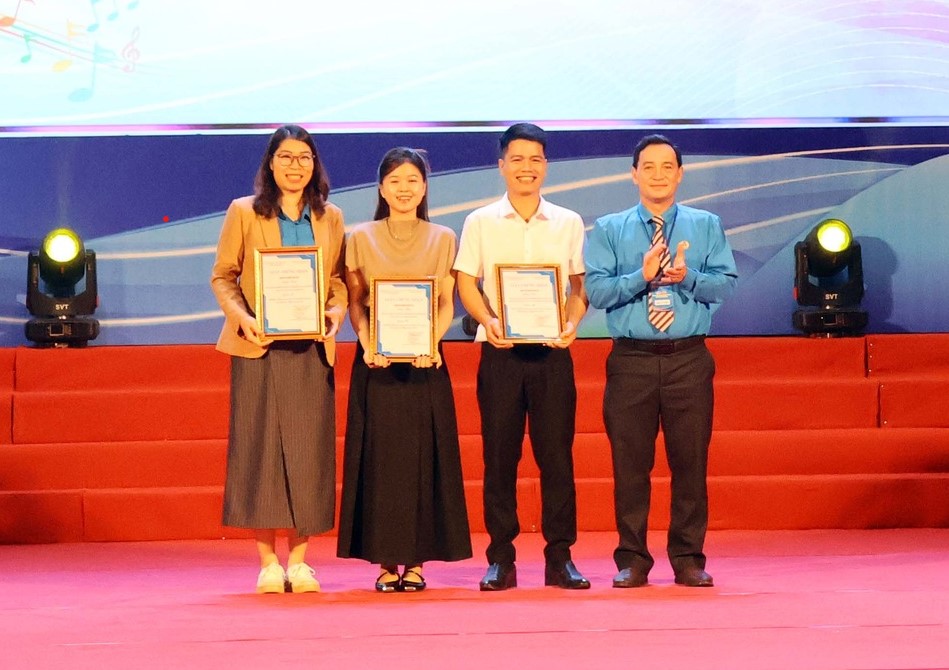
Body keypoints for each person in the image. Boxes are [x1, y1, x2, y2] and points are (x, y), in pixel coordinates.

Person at [584, 134, 738, 588]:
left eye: (666, 167)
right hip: (631, 359)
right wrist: (641, 276)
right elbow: (597, 292)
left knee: (690, 462)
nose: (657, 175)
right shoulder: (610, 228)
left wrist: (688, 276)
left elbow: (725, 285)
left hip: (688, 357)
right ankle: (632, 558)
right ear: (633, 174)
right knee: (630, 465)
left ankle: (688, 557)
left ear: (680, 174)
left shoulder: (706, 224)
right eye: (647, 167)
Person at [210, 124, 347, 594]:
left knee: (310, 453)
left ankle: (302, 561)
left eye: (304, 157)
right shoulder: (244, 212)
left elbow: (338, 281)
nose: (295, 166)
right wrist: (243, 318)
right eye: (286, 157)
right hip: (257, 346)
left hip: (311, 349)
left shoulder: (330, 216)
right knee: (259, 449)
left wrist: (335, 310)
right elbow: (223, 277)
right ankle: (268, 561)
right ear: (271, 163)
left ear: (315, 164)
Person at [454, 123, 590, 591]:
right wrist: (489, 321)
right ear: (501, 166)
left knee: (557, 459)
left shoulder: (569, 222)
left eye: (535, 159)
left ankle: (560, 557)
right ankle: (501, 558)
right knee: (500, 458)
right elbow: (465, 283)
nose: (526, 168)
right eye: (517, 159)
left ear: (545, 166)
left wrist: (572, 322)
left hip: (553, 356)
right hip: (501, 355)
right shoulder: (480, 221)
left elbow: (577, 288)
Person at [337, 147, 472, 592]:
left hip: (425, 361)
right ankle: (383, 561)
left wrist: (431, 343)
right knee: (380, 461)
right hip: (375, 360)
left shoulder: (443, 237)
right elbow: (357, 302)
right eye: (395, 181)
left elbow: (446, 301)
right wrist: (367, 343)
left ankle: (415, 562)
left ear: (425, 187)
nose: (404, 189)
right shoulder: (359, 237)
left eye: (413, 180)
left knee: (423, 461)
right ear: (381, 188)